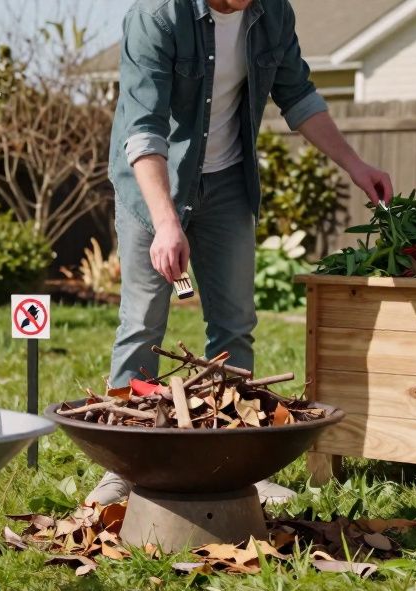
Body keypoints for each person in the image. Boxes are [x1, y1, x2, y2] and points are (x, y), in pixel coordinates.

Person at [89, 0, 393, 504]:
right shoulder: (158, 16)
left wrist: (355, 165)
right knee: (143, 321)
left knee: (234, 324)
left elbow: (298, 97)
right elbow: (143, 128)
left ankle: (235, 463)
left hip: (228, 182)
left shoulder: (271, 12)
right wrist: (166, 223)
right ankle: (123, 468)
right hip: (155, 183)